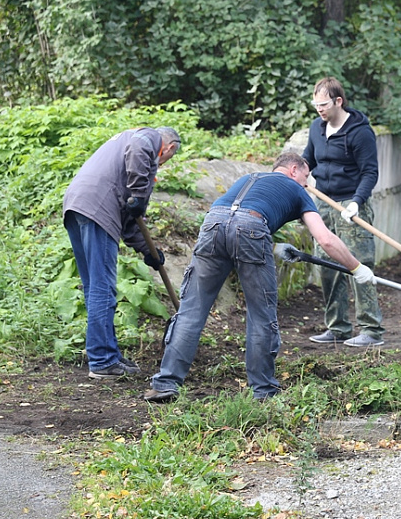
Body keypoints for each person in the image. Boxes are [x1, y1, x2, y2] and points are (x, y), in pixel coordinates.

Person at [143, 153, 376, 403]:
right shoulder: (297, 191)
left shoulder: (248, 178)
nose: (307, 183)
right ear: (293, 169)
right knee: (261, 314)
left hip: (212, 224)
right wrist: (356, 268)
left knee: (191, 311)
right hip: (252, 228)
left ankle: (165, 383)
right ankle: (263, 390)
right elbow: (325, 239)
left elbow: (236, 219)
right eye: (306, 176)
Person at [63, 127, 181, 380]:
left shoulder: (126, 150)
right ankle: (102, 360)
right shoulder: (147, 138)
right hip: (98, 209)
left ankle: (108, 353)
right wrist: (140, 193)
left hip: (77, 205)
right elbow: (139, 154)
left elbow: (131, 220)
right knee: (102, 288)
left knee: (94, 286)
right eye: (167, 158)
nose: (161, 163)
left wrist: (148, 251)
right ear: (170, 147)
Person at [302, 76, 385, 348]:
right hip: (323, 203)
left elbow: (370, 171)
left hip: (350, 204)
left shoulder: (360, 132)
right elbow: (308, 160)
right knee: (326, 266)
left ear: (338, 101)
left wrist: (357, 202)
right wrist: (296, 175)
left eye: (324, 104)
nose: (319, 109)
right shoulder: (317, 128)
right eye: (315, 105)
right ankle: (337, 327)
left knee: (358, 264)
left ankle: (371, 330)